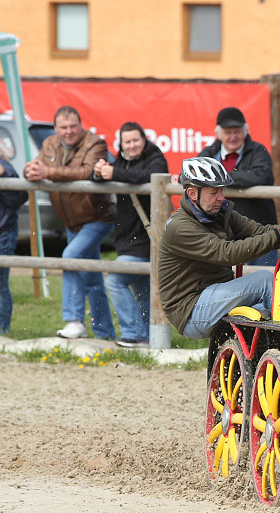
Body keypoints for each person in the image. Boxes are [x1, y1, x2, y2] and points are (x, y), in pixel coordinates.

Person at [157, 158, 280, 339]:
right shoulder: (180, 227)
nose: (221, 197)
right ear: (192, 193)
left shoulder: (219, 214)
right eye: (214, 192)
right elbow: (228, 253)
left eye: (222, 190)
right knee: (264, 281)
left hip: (215, 298)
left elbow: (258, 231)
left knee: (265, 311)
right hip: (190, 311)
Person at [23, 106, 116, 340]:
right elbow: (37, 166)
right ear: (56, 128)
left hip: (97, 217)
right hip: (71, 222)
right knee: (92, 279)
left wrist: (48, 172)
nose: (69, 131)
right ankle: (105, 333)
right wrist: (29, 171)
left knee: (69, 257)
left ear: (81, 125)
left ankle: (74, 320)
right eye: (63, 127)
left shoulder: (95, 143)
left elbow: (86, 172)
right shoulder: (50, 143)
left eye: (73, 126)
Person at [93, 122, 168, 348]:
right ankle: (147, 338)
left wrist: (114, 172)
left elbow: (151, 175)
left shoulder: (155, 157)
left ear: (144, 140)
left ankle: (134, 334)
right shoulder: (121, 161)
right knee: (143, 290)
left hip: (146, 240)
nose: (132, 145)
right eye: (127, 141)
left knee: (115, 280)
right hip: (127, 239)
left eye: (136, 140)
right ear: (121, 144)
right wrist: (98, 172)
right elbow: (105, 176)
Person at [199, 106, 279, 266]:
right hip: (221, 231)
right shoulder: (209, 152)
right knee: (226, 278)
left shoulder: (258, 150)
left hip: (259, 228)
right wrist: (235, 178)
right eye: (228, 132)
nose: (233, 136)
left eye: (237, 131)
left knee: (265, 276)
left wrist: (221, 177)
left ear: (245, 131)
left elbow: (263, 176)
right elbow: (191, 175)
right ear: (219, 134)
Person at [0, 153, 28, 334]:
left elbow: (19, 198)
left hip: (2, 232)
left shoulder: (3, 167)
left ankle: (1, 330)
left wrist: (4, 175)